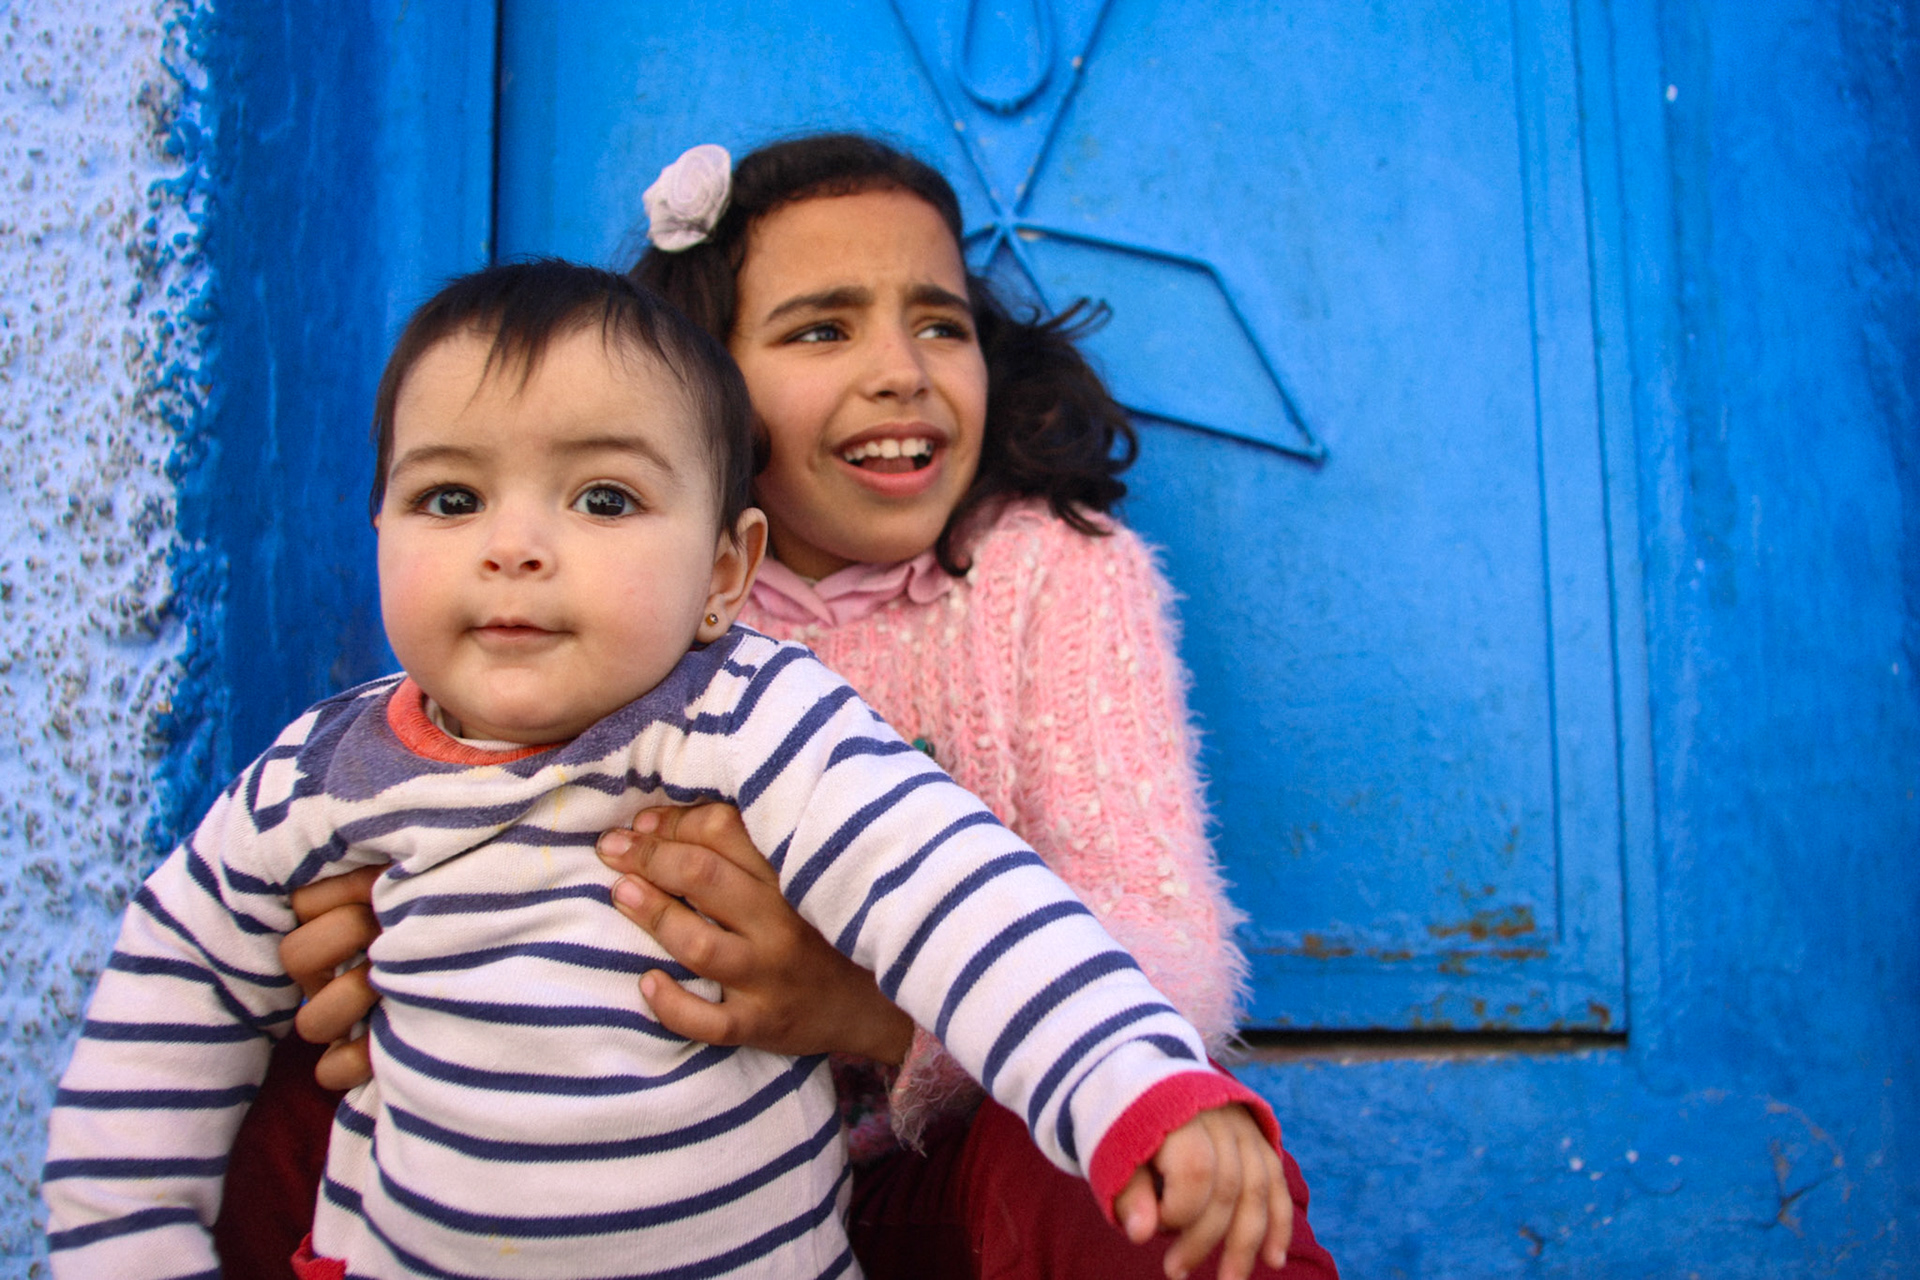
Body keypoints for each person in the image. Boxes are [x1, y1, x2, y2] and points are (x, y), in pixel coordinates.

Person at [43, 260, 1294, 1280]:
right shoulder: (322, 772)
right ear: (376, 531)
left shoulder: (753, 717)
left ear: (722, 573)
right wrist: (126, 1248)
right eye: (447, 499)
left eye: (599, 498)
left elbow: (965, 893)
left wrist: (1136, 1079)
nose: (514, 547)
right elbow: (166, 999)